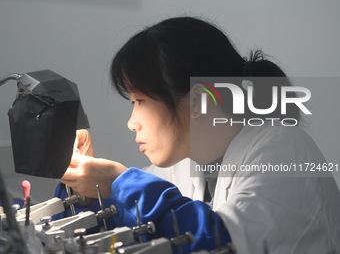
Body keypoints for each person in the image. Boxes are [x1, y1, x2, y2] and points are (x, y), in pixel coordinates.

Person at [55, 17, 340, 253]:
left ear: (196, 102)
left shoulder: (284, 151)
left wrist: (118, 183)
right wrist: (88, 192)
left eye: (139, 101)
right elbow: (131, 226)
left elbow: (223, 243)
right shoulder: (188, 161)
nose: (132, 122)